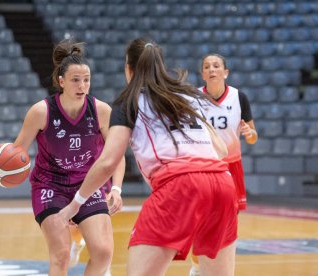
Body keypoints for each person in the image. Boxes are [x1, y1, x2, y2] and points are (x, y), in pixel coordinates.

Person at [59, 38, 238, 276]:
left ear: (128, 69)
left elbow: (108, 161)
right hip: (223, 184)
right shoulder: (190, 97)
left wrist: (74, 205)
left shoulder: (129, 101)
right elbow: (221, 150)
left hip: (179, 185)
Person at [0, 39, 125, 276]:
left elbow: (116, 154)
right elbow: (17, 152)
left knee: (103, 253)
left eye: (86, 80)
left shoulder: (101, 110)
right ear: (61, 81)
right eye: (75, 80)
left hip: (87, 184)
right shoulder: (41, 111)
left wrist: (116, 188)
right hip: (50, 186)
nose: (82, 85)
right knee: (61, 254)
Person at [188, 54, 258, 276]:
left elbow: (254, 136)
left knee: (228, 224)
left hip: (231, 167)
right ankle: (197, 266)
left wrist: (250, 133)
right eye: (207, 66)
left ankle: (221, 268)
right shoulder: (194, 98)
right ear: (202, 74)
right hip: (204, 167)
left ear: (225, 72)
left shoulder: (239, 97)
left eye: (216, 66)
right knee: (199, 222)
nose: (212, 69)